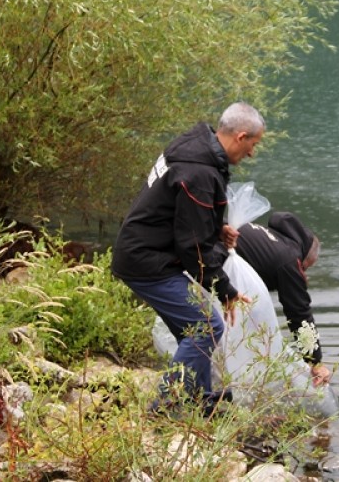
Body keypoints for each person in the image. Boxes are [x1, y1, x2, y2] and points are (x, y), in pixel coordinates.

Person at [111, 102, 264, 414]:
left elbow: (181, 214)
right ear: (241, 136)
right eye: (253, 144)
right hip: (147, 261)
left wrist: (213, 226)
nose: (251, 153)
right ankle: (166, 407)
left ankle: (200, 400)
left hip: (142, 250)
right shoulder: (199, 171)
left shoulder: (195, 146)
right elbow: (193, 247)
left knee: (193, 331)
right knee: (205, 327)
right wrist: (225, 289)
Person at [223, 211, 332, 386]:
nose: (303, 273)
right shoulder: (289, 260)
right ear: (304, 258)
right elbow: (300, 315)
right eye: (305, 268)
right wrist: (315, 362)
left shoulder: (270, 239)